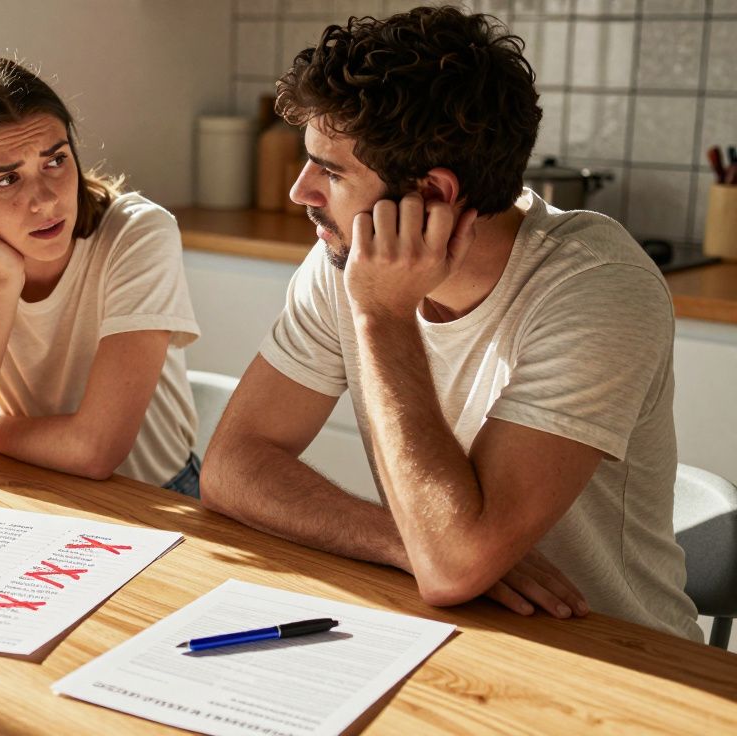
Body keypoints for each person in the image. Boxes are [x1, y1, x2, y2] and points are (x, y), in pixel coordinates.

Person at [199, 6, 701, 640]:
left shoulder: (596, 284)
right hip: (449, 630)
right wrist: (402, 541)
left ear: (432, 194)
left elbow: (453, 565)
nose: (301, 192)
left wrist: (381, 315)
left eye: (330, 171)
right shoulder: (345, 254)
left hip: (619, 657)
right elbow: (232, 467)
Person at [0, 51, 201, 495]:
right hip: (33, 487)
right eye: (7, 180)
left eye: (55, 161)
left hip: (157, 496)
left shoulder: (138, 234)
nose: (45, 201)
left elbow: (94, 451)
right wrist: (3, 282)